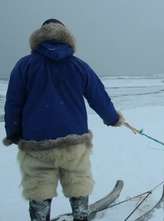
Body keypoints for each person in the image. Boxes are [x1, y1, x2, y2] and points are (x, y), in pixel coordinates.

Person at [3, 19, 124, 221]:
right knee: (78, 181)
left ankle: (40, 217)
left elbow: (13, 102)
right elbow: (98, 97)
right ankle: (80, 215)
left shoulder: (25, 66)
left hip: (36, 143)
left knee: (38, 186)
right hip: (73, 141)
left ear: (40, 36)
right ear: (66, 37)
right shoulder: (79, 66)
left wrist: (13, 132)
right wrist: (113, 118)